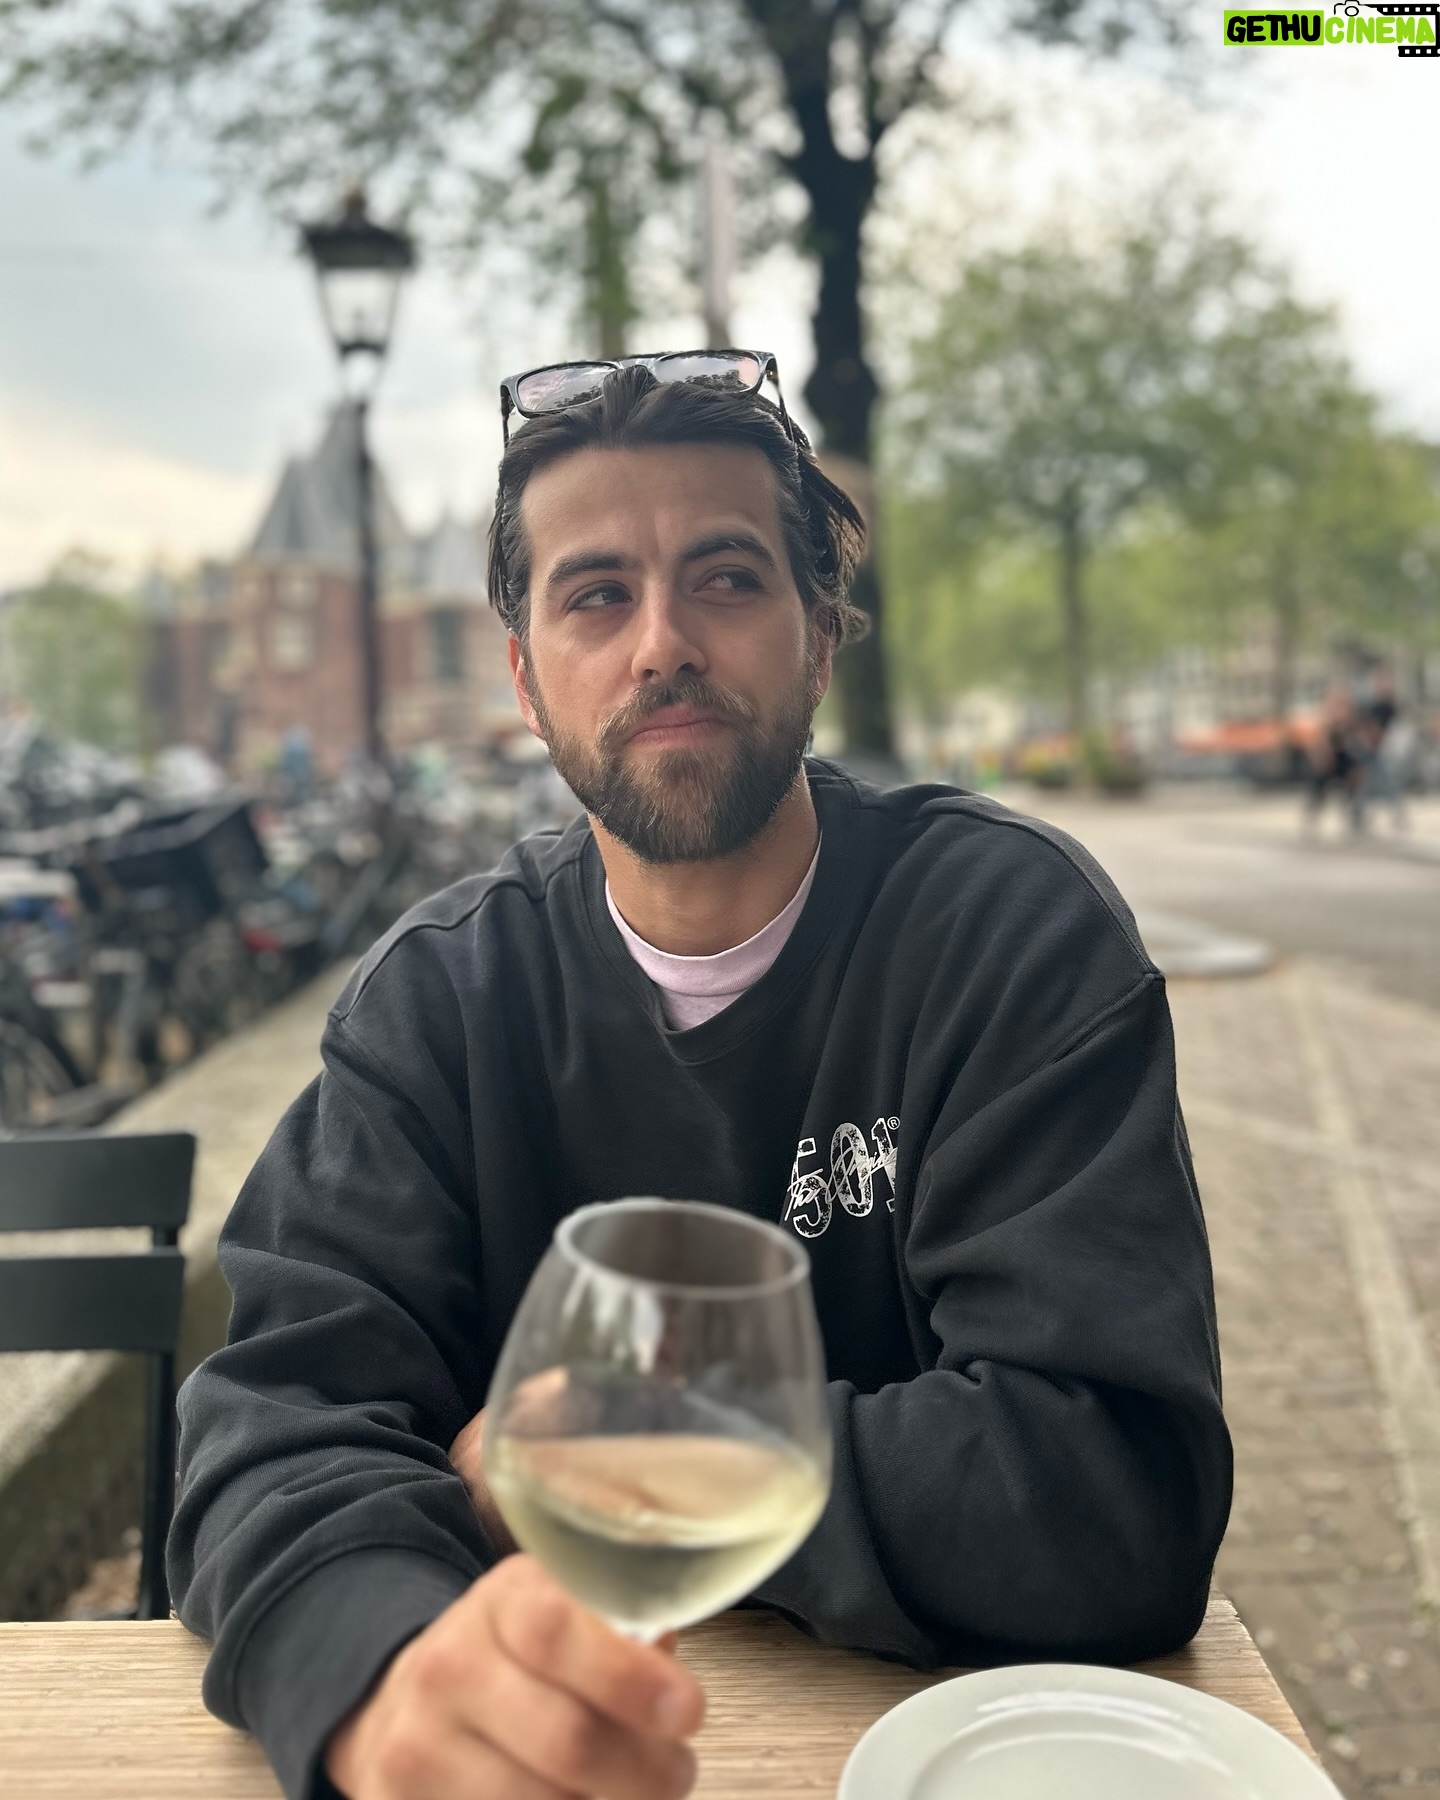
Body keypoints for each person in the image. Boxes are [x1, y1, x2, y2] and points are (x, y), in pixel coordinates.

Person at [169, 357, 1233, 1800]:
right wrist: (385, 1675)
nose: (662, 642)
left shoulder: (1009, 937)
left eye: (726, 580)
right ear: (526, 680)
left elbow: (1114, 1493)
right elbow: (268, 1432)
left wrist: (595, 1453)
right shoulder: (438, 1002)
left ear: (820, 638)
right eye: (597, 595)